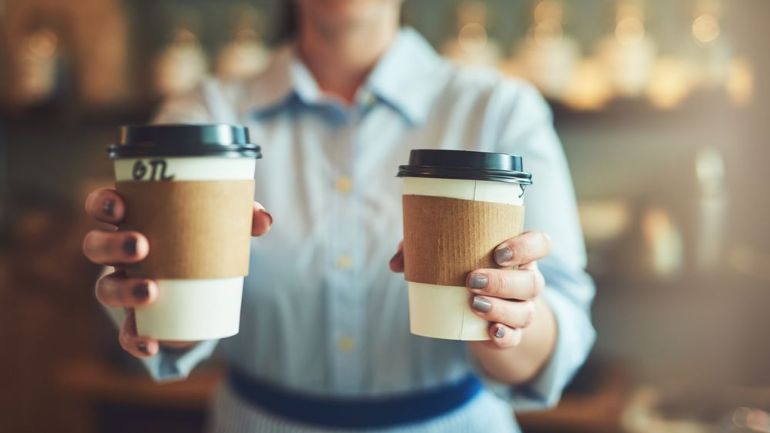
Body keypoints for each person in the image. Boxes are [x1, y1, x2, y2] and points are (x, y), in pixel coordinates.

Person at [81, 1, 595, 432]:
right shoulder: (205, 111)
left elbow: (563, 326)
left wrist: (509, 316)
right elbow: (166, 321)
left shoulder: (498, 109)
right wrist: (151, 301)